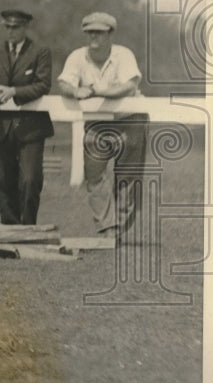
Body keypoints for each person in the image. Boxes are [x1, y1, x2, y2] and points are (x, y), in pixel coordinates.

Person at [58, 12, 147, 239]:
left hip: (129, 121)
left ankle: (120, 229)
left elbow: (128, 86)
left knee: (128, 177)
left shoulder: (123, 54)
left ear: (111, 34)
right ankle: (107, 228)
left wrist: (96, 91)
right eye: (90, 32)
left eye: (99, 32)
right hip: (97, 123)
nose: (94, 37)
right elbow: (64, 83)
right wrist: (75, 90)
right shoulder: (78, 57)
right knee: (94, 175)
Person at [0, 9, 54, 225]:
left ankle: (28, 227)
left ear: (25, 27)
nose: (10, 31)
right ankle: (9, 228)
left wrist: (13, 92)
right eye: (7, 27)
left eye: (15, 27)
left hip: (30, 126)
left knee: (30, 180)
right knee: (1, 181)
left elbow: (43, 84)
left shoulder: (40, 52)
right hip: (0, 127)